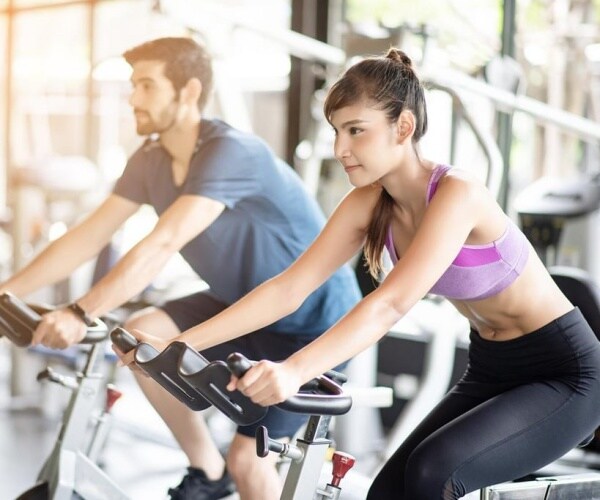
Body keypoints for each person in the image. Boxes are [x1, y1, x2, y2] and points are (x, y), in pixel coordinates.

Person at [123, 48, 600, 500]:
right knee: (388, 491)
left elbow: (390, 304)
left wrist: (293, 371)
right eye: (336, 131)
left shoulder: (458, 194)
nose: (339, 148)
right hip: (492, 366)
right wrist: (184, 345)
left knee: (434, 473)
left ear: (403, 126)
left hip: (564, 373)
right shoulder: (368, 202)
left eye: (355, 130)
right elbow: (288, 288)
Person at [0, 37, 362, 500]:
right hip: (243, 306)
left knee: (250, 464)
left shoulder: (230, 151)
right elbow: (87, 237)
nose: (133, 98)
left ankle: (229, 470)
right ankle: (209, 472)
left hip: (310, 323)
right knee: (143, 331)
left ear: (188, 92)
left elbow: (164, 241)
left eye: (147, 86)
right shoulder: (150, 160)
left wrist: (78, 312)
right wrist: (6, 291)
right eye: (133, 85)